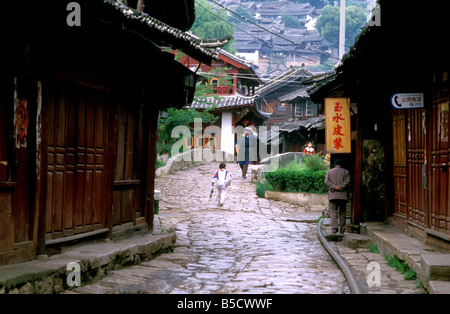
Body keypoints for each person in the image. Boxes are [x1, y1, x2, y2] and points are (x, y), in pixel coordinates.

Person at [324, 159, 350, 235]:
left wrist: (334, 187)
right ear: (341, 165)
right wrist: (340, 187)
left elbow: (326, 181)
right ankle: (342, 230)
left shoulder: (329, 171)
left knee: (333, 213)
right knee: (342, 213)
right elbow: (347, 181)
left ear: (335, 164)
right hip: (343, 196)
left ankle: (334, 231)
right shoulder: (346, 172)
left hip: (333, 195)